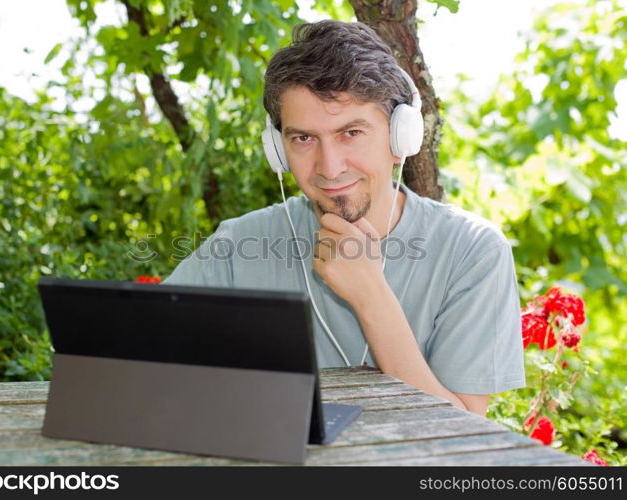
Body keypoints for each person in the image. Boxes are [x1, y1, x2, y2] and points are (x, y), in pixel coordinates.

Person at [162, 20, 525, 417]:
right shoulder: (237, 245)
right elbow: (140, 353)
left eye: (351, 132)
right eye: (303, 139)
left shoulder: (471, 250)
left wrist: (371, 296)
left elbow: (462, 431)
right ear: (278, 150)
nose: (329, 168)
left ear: (400, 137)